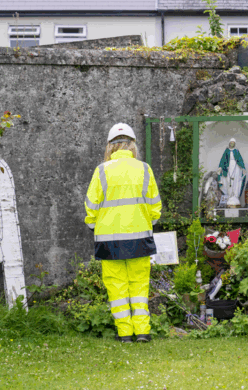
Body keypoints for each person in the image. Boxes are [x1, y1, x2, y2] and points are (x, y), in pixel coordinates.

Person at [84, 123, 162, 343]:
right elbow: (155, 206)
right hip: (140, 237)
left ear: (110, 146)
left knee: (117, 287)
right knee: (139, 285)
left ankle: (125, 333)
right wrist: (147, 223)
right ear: (132, 145)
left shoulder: (102, 171)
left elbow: (91, 206)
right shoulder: (145, 169)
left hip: (109, 240)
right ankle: (143, 332)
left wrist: (95, 226)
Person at [218, 138, 246, 207]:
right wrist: (220, 167)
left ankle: (235, 196)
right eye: (231, 142)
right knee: (228, 181)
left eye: (233, 142)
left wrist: (243, 168)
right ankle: (229, 196)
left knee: (236, 182)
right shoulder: (226, 151)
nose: (232, 144)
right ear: (229, 143)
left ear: (235, 144)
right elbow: (223, 160)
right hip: (228, 168)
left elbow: (240, 160)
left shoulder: (236, 151)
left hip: (236, 168)